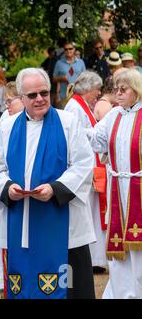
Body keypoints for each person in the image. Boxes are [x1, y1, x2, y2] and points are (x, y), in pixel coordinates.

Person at [0, 68, 96, 299]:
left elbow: (84, 164)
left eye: (44, 92)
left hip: (64, 223)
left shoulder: (68, 122)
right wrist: (8, 189)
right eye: (32, 95)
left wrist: (55, 189)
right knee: (26, 285)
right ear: (21, 98)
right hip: (22, 222)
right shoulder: (8, 126)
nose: (39, 99)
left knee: (71, 288)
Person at [90, 69, 142, 298]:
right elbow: (96, 139)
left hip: (138, 188)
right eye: (116, 89)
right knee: (119, 245)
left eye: (124, 89)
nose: (118, 94)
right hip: (117, 188)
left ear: (137, 91)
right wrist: (72, 128)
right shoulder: (114, 115)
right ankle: (121, 291)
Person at [64, 71, 108, 273]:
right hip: (85, 168)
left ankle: (96, 258)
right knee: (88, 213)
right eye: (97, 89)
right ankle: (93, 259)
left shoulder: (81, 105)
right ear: (88, 89)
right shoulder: (74, 106)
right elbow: (75, 136)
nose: (99, 93)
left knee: (93, 213)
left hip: (92, 166)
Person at [53, 41, 86, 108]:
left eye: (70, 48)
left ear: (74, 49)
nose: (68, 51)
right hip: (64, 96)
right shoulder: (59, 63)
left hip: (79, 95)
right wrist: (62, 78)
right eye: (66, 49)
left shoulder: (80, 62)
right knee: (66, 117)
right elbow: (53, 79)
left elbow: (85, 78)